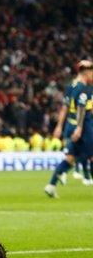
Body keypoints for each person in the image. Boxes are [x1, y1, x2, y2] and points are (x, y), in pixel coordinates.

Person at [45, 60, 93, 197]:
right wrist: (79, 128)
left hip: (71, 125)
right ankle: (86, 177)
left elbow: (65, 107)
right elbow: (81, 108)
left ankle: (51, 185)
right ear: (87, 72)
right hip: (83, 126)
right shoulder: (84, 88)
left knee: (70, 158)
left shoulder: (72, 86)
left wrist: (60, 126)